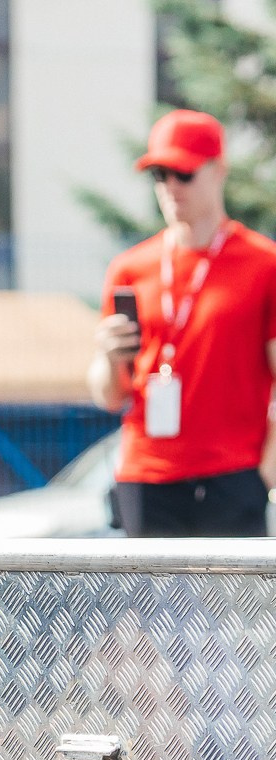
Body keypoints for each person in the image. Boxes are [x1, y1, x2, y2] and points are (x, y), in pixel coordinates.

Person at [89, 108, 276, 537]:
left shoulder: (263, 264)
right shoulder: (130, 268)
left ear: (218, 171)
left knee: (230, 608)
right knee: (147, 607)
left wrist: (266, 472)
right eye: (159, 175)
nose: (171, 187)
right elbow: (108, 394)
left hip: (233, 476)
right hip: (146, 475)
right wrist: (107, 354)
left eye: (183, 173)